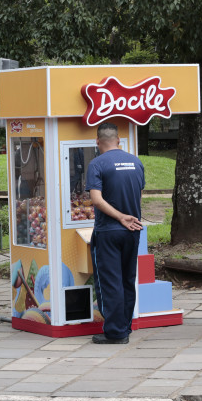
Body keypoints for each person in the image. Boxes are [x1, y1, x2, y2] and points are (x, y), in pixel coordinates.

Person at [85, 122, 145, 345]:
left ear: (97, 142)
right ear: (119, 140)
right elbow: (138, 195)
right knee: (128, 280)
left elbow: (96, 200)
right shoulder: (136, 162)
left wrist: (119, 217)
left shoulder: (97, 164)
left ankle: (115, 332)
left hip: (108, 231)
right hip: (133, 230)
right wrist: (129, 217)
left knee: (110, 282)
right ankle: (125, 326)